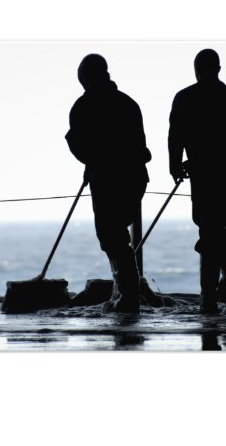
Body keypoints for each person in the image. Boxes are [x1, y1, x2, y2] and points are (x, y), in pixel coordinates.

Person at [168, 49, 226, 315]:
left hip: (205, 176)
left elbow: (176, 136)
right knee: (212, 231)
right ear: (219, 68)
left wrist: (176, 164)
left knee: (210, 232)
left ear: (196, 69)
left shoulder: (185, 98)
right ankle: (222, 293)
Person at [65, 54, 151, 313]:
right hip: (135, 178)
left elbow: (82, 147)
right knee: (117, 234)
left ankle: (128, 295)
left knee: (111, 236)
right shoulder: (128, 103)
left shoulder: (83, 106)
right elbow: (139, 146)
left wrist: (89, 160)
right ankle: (125, 292)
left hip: (106, 179)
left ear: (87, 79)